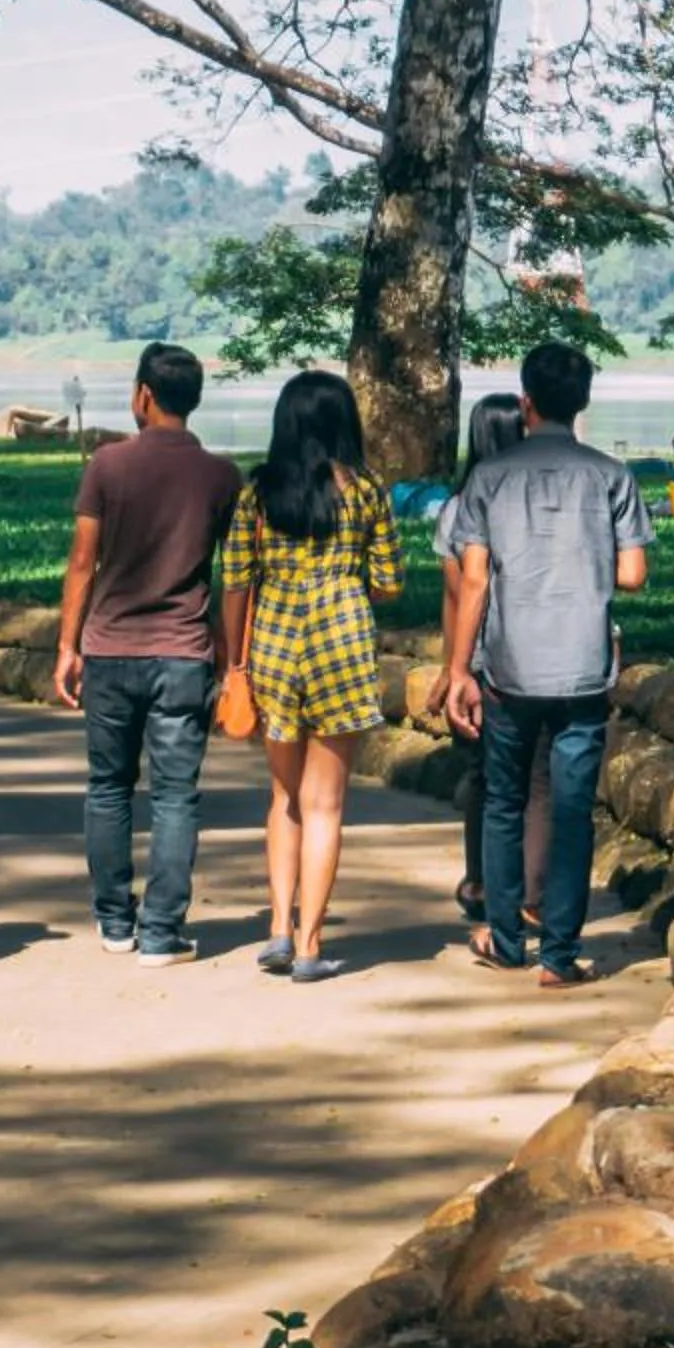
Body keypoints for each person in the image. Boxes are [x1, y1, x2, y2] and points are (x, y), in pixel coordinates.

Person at [444, 340, 650, 992]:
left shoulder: (489, 478)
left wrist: (457, 670)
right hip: (584, 666)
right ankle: (560, 955)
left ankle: (506, 940)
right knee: (570, 806)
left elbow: (472, 581)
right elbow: (633, 574)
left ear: (526, 402)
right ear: (582, 401)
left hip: (508, 667)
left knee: (504, 800)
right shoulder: (611, 476)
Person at [52, 341, 242, 965]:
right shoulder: (222, 476)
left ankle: (114, 922)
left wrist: (66, 646)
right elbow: (233, 574)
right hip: (184, 652)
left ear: (142, 396)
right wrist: (228, 656)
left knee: (108, 788)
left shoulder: (107, 465)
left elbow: (84, 561)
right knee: (175, 796)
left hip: (109, 647)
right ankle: (160, 933)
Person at [218, 369, 403, 984]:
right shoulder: (367, 492)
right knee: (326, 804)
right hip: (343, 642)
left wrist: (234, 663)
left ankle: (276, 926)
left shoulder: (258, 493)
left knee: (283, 797)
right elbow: (389, 582)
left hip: (273, 642)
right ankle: (310, 944)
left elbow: (237, 580)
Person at [424, 392, 536, 926]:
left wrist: (454, 668)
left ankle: (481, 880)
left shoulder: (456, 508)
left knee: (485, 775)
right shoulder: (540, 499)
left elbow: (455, 598)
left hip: (485, 658)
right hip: (541, 651)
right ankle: (530, 887)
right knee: (535, 776)